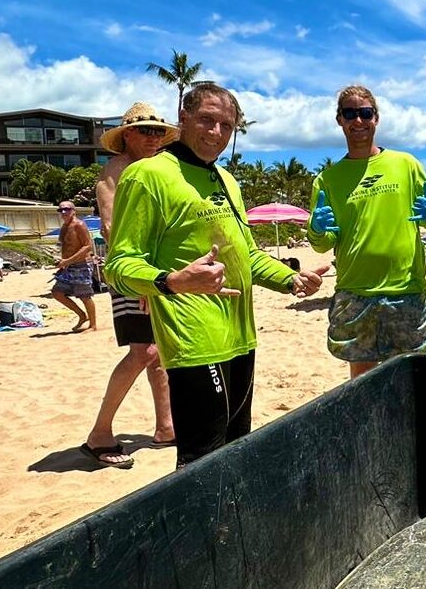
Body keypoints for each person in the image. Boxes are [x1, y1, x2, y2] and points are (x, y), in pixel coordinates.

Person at [104, 82, 325, 468]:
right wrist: (172, 281)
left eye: (227, 125)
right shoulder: (148, 176)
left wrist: (290, 278)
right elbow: (119, 266)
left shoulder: (227, 181)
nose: (216, 133)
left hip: (241, 335)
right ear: (183, 119)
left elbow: (248, 255)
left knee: (237, 449)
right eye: (206, 120)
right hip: (193, 339)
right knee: (201, 461)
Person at [307, 84, 426, 378]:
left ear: (376, 118)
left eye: (365, 113)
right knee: (362, 378)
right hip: (356, 293)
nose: (358, 121)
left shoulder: (406, 164)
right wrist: (317, 229)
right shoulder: (327, 179)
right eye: (350, 114)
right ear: (339, 120)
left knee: (414, 376)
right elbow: (322, 243)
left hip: (407, 290)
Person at [83, 102, 179, 468]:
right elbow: (112, 229)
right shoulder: (115, 171)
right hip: (132, 274)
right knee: (144, 353)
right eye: (145, 130)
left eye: (158, 131)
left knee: (158, 351)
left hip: (154, 272)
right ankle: (100, 433)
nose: (154, 137)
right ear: (127, 135)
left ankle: (166, 426)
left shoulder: (152, 170)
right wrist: (143, 283)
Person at [52, 200, 98, 332]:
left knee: (84, 295)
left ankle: (93, 325)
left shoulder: (79, 225)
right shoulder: (64, 227)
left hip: (81, 264)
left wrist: (67, 261)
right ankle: (82, 315)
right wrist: (61, 261)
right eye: (61, 210)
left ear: (74, 211)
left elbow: (87, 246)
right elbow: (63, 245)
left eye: (67, 209)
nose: (64, 212)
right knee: (57, 292)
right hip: (68, 266)